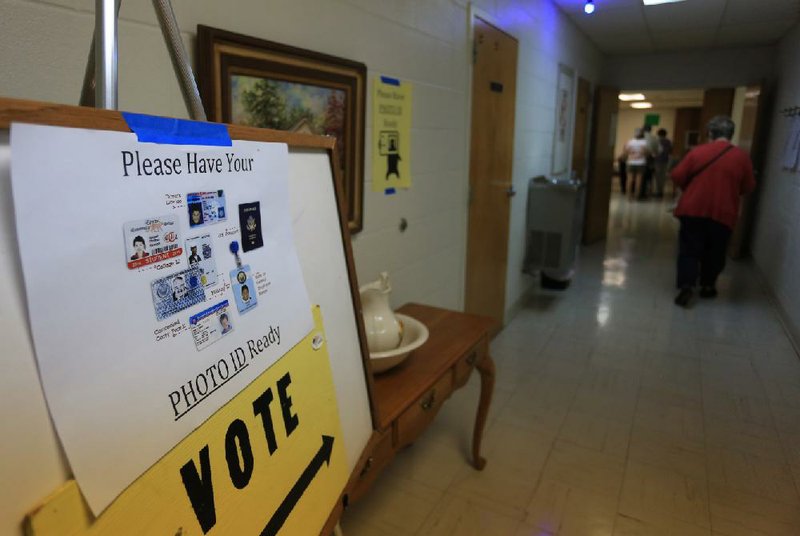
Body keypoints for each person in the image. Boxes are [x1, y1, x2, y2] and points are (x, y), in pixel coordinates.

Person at [671, 115, 755, 307]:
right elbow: (748, 186)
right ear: (731, 134)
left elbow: (676, 175)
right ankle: (708, 286)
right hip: (724, 212)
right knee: (715, 250)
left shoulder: (697, 152)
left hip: (692, 208)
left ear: (710, 133)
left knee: (689, 249)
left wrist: (690, 188)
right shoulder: (741, 157)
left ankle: (686, 286)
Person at [623, 128, 649, 199]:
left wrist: (631, 154)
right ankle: (636, 196)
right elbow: (647, 153)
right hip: (641, 163)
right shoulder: (645, 142)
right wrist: (640, 154)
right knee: (639, 181)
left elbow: (625, 152)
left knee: (629, 180)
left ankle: (628, 196)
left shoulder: (630, 141)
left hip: (630, 162)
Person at [641, 124, 660, 199]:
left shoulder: (640, 137)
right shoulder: (654, 138)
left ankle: (639, 192)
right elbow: (659, 150)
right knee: (648, 178)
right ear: (650, 130)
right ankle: (647, 193)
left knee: (640, 177)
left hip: (640, 159)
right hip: (650, 160)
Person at [654, 128, 673, 197]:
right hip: (666, 160)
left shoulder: (657, 141)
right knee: (663, 177)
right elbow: (671, 151)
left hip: (658, 160)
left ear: (659, 134)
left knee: (657, 177)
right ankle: (661, 191)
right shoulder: (668, 141)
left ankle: (658, 192)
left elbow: (654, 151)